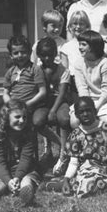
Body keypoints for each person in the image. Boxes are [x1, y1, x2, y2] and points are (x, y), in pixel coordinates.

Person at [3, 35, 57, 146]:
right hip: (14, 107)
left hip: (31, 106)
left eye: (23, 52)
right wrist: (10, 104)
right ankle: (1, 156)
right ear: (11, 55)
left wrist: (27, 104)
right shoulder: (10, 72)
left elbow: (42, 92)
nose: (20, 55)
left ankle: (60, 144)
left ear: (29, 53)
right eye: (16, 53)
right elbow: (5, 92)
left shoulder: (35, 69)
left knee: (31, 127)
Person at [61, 97, 107, 198]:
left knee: (96, 182)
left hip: (103, 169)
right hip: (84, 170)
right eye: (81, 112)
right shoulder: (76, 135)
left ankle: (83, 187)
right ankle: (66, 184)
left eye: (88, 110)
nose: (85, 114)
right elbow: (73, 162)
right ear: (76, 115)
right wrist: (66, 179)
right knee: (77, 181)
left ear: (94, 111)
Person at [36, 37, 71, 172]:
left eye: (50, 55)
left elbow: (61, 94)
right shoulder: (37, 70)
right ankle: (62, 146)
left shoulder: (62, 70)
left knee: (64, 118)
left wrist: (53, 111)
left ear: (55, 54)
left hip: (59, 101)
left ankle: (62, 156)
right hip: (44, 102)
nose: (47, 58)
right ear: (38, 55)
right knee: (37, 121)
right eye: (43, 55)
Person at [71, 30, 107, 128]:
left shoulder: (105, 63)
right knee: (74, 122)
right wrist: (88, 108)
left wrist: (96, 107)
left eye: (83, 45)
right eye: (79, 44)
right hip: (86, 101)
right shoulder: (79, 63)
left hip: (103, 101)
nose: (80, 47)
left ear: (93, 46)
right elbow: (82, 88)